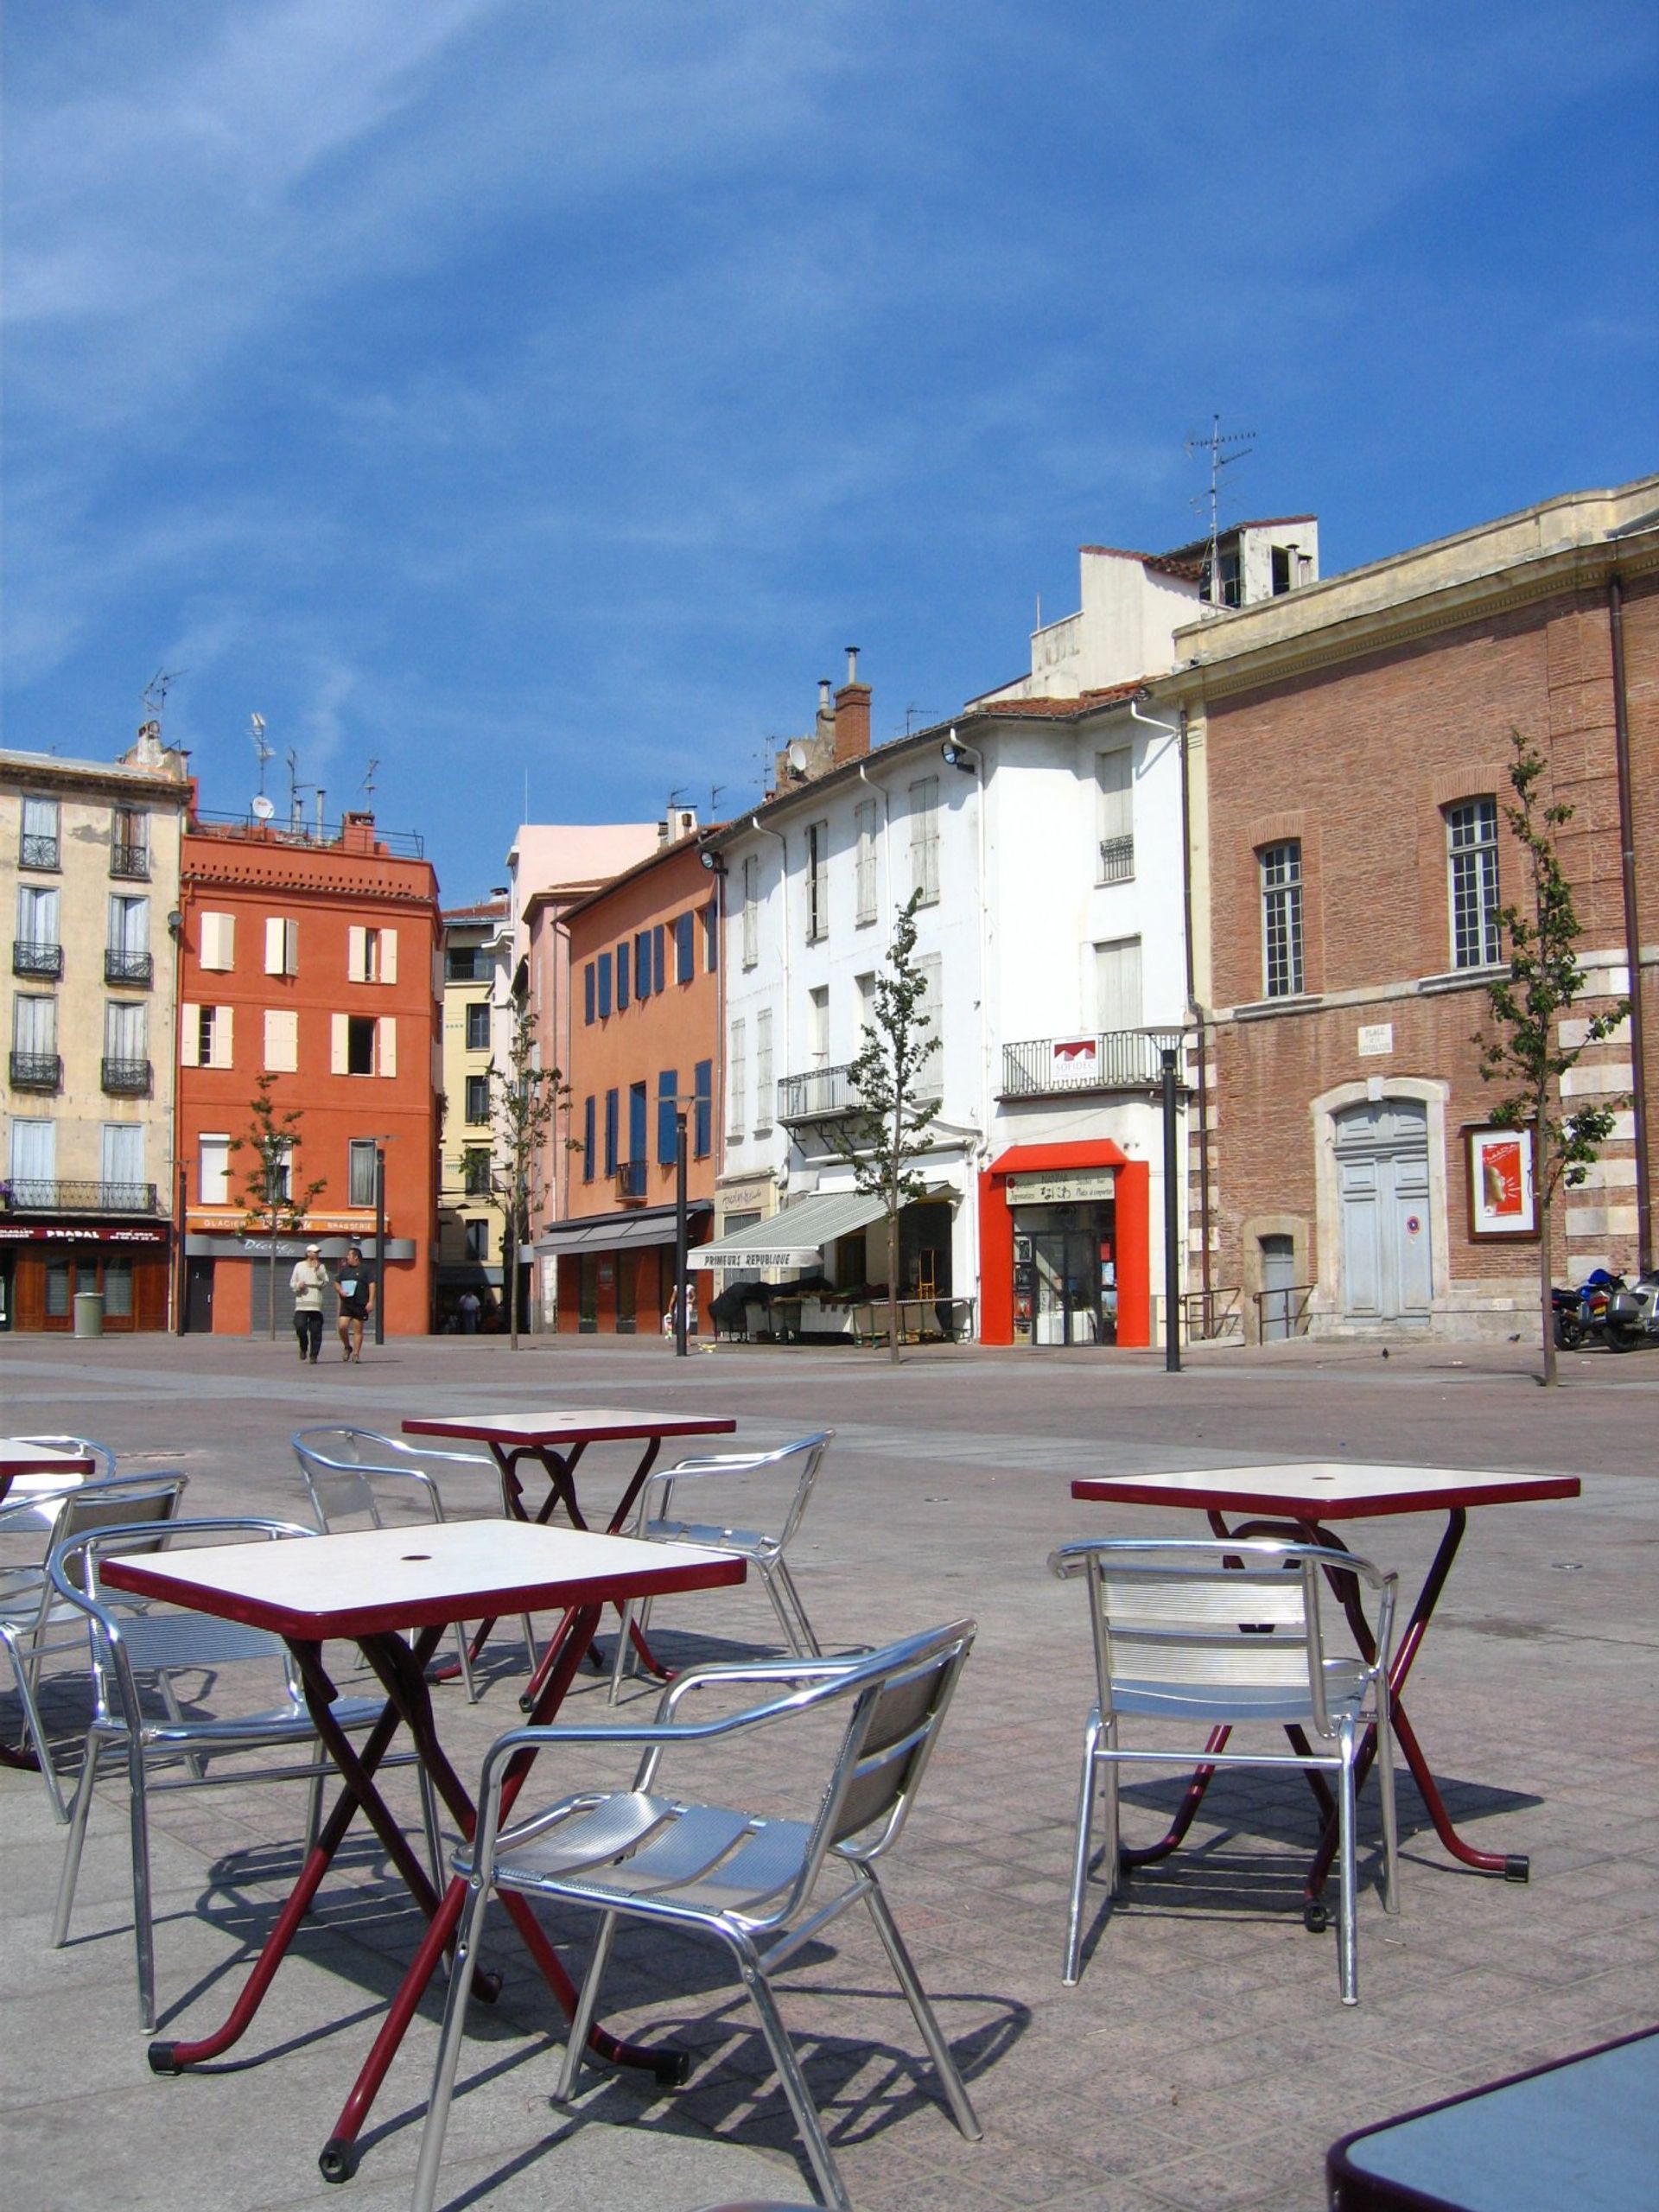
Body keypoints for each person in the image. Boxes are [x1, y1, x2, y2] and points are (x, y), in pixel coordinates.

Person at [334, 1243, 375, 1363]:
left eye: (349, 1255)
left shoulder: (366, 1270)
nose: (347, 1257)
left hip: (360, 1303)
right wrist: (340, 1290)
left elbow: (372, 1285)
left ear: (356, 1257)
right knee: (342, 1326)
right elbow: (336, 1282)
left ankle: (356, 1354)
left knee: (358, 1329)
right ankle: (347, 1346)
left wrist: (370, 1301)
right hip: (347, 1303)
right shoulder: (344, 1271)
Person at [289, 1244, 328, 1363]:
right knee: (300, 1326)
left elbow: (325, 1281)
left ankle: (314, 1355)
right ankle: (303, 1346)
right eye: (314, 1252)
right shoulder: (299, 1266)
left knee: (316, 1330)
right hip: (302, 1302)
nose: (316, 1255)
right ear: (308, 1253)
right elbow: (292, 1282)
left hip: (315, 1302)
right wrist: (298, 1286)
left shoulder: (321, 1266)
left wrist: (318, 1271)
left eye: (317, 1253)